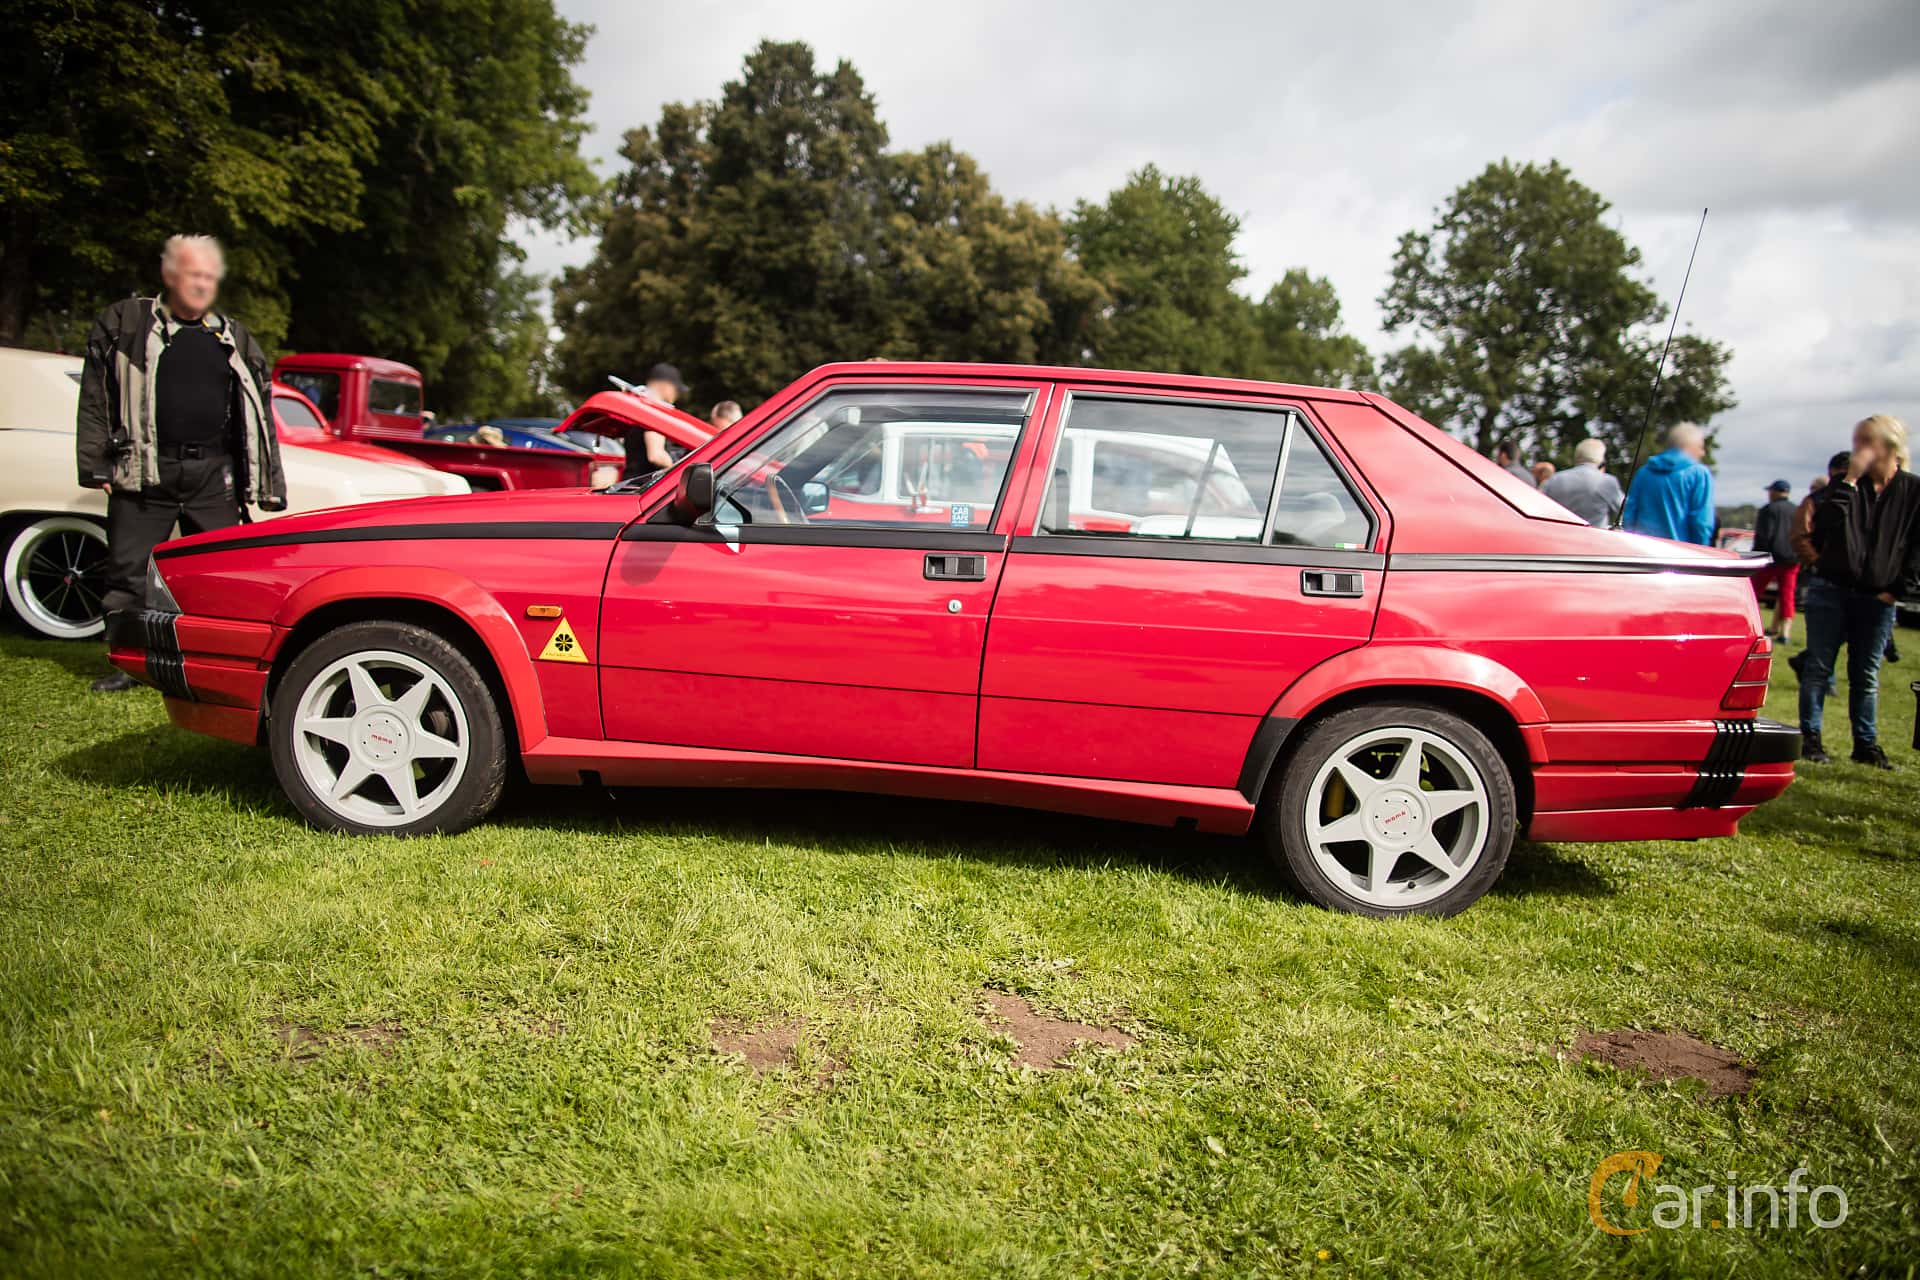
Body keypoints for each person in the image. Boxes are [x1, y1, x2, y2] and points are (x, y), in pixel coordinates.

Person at [76, 234, 284, 692]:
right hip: (144, 468)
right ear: (170, 276)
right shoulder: (124, 323)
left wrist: (258, 480)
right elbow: (95, 396)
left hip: (212, 474)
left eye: (210, 277)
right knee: (128, 572)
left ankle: (215, 664)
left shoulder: (232, 335)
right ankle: (128, 665)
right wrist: (98, 465)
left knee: (221, 572)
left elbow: (257, 414)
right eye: (194, 275)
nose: (203, 285)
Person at [1796, 414, 1920, 769]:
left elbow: (1916, 547)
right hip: (1830, 589)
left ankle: (1865, 744)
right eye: (1856, 442)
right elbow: (1823, 527)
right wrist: (1849, 480)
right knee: (1818, 667)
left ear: (1889, 447)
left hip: (1878, 596)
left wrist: (1897, 590)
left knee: (1866, 674)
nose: (1859, 450)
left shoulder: (1913, 491)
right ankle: (1811, 739)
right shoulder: (1846, 487)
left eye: (1866, 441)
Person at [1620, 422, 1713, 544]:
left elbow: (1629, 516)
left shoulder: (1643, 472)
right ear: (1689, 446)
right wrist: (1702, 552)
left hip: (1643, 552)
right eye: (1701, 447)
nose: (1702, 453)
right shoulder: (1698, 474)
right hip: (1681, 554)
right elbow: (1701, 522)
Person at [621, 362, 690, 481]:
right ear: (666, 386)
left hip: (631, 484)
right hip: (643, 489)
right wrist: (680, 471)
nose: (677, 395)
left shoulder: (639, 408)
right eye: (677, 390)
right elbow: (656, 455)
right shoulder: (653, 411)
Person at [1750, 479, 1800, 643]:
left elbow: (1764, 536)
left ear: (1775, 492)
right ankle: (1785, 632)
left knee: (1753, 593)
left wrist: (1755, 557)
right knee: (1787, 595)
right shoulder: (1796, 510)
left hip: (1769, 559)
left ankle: (1750, 625)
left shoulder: (1768, 510)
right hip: (1791, 559)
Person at [1541, 437, 1624, 527]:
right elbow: (1625, 511)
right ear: (1601, 462)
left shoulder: (1554, 479)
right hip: (1594, 538)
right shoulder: (1607, 481)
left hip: (1556, 537)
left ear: (1576, 457)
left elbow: (1538, 509)